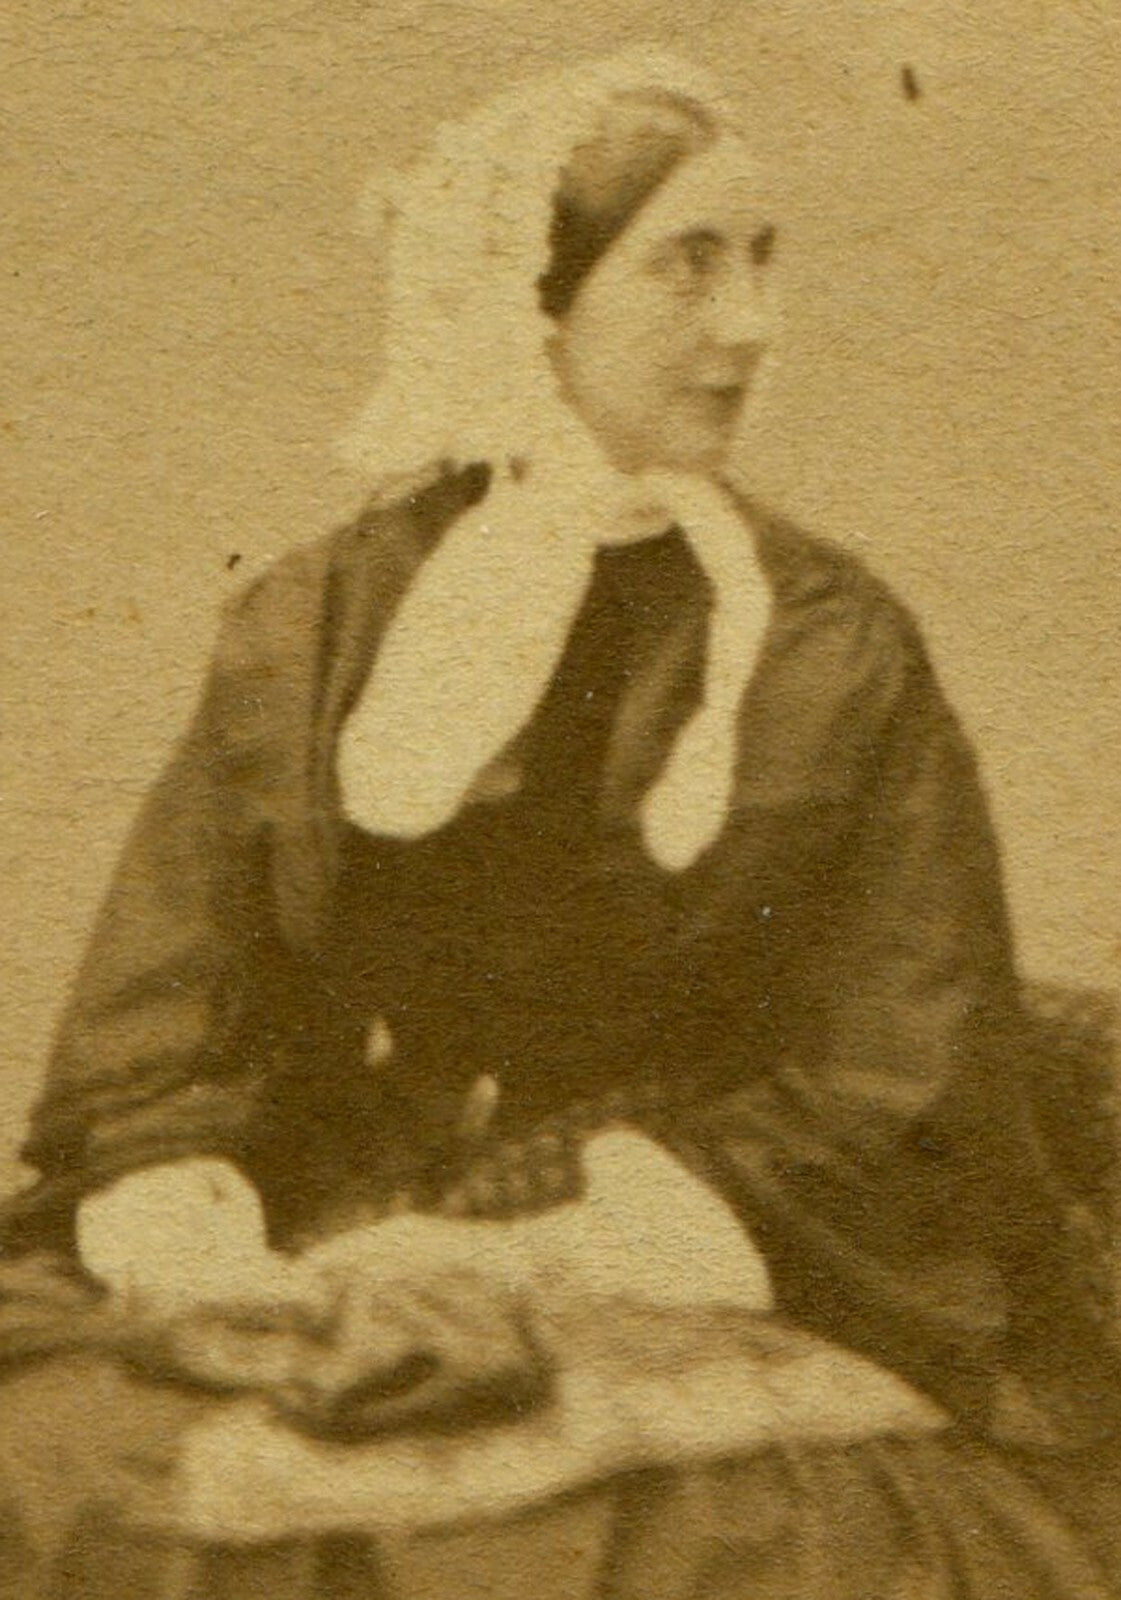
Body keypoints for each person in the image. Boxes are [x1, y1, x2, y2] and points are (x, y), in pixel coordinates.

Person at [0, 46, 1117, 1599]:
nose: (748, 326)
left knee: (558, 1551)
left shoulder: (821, 642)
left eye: (761, 263)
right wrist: (219, 1243)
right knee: (66, 1467)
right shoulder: (319, 623)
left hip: (722, 1257)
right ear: (535, 303)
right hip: (335, 1232)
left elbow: (902, 1072)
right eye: (685, 266)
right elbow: (156, 1035)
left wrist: (553, 1243)